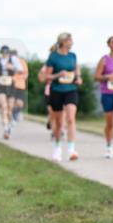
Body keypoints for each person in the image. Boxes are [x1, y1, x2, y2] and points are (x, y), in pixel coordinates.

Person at [41, 33, 81, 161]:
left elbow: (76, 71)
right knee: (58, 123)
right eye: (70, 40)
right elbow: (46, 77)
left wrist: (78, 78)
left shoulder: (73, 56)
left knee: (70, 118)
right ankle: (57, 148)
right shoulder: (53, 57)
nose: (72, 43)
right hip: (57, 91)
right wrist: (58, 75)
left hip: (71, 90)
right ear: (63, 42)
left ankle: (71, 150)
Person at [0, 45, 23, 140]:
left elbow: (21, 70)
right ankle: (6, 129)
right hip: (1, 85)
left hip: (10, 84)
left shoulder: (14, 59)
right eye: (3, 53)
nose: (5, 55)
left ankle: (9, 126)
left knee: (10, 108)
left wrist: (12, 68)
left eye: (6, 53)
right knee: (4, 106)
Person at [11, 48, 29, 122]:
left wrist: (24, 77)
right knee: (13, 102)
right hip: (12, 84)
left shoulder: (22, 62)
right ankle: (14, 115)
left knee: (20, 103)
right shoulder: (9, 62)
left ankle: (15, 113)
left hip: (21, 85)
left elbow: (26, 73)